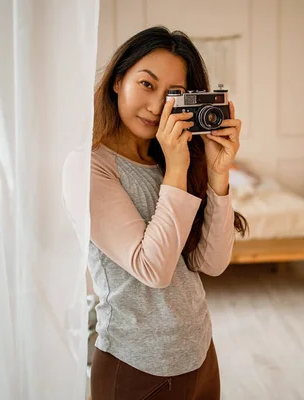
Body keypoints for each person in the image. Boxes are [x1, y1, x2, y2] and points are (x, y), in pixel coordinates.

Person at [88, 25, 248, 400]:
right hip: (136, 365)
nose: (159, 106)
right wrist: (176, 171)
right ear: (117, 80)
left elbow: (213, 262)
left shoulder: (171, 158)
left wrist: (218, 173)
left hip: (199, 353)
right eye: (147, 84)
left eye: (174, 94)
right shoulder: (91, 167)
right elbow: (153, 270)